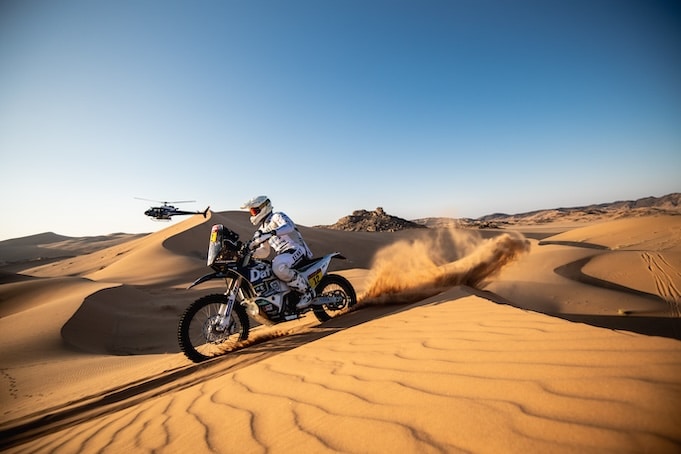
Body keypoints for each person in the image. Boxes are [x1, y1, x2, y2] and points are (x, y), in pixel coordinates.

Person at [241, 195, 315, 309]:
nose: (253, 214)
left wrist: (272, 232)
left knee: (279, 266)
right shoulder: (262, 230)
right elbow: (265, 251)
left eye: (255, 211)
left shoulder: (277, 216)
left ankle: (307, 292)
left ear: (264, 207)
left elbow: (289, 227)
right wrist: (251, 253)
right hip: (284, 254)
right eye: (252, 212)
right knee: (267, 270)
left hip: (296, 248)